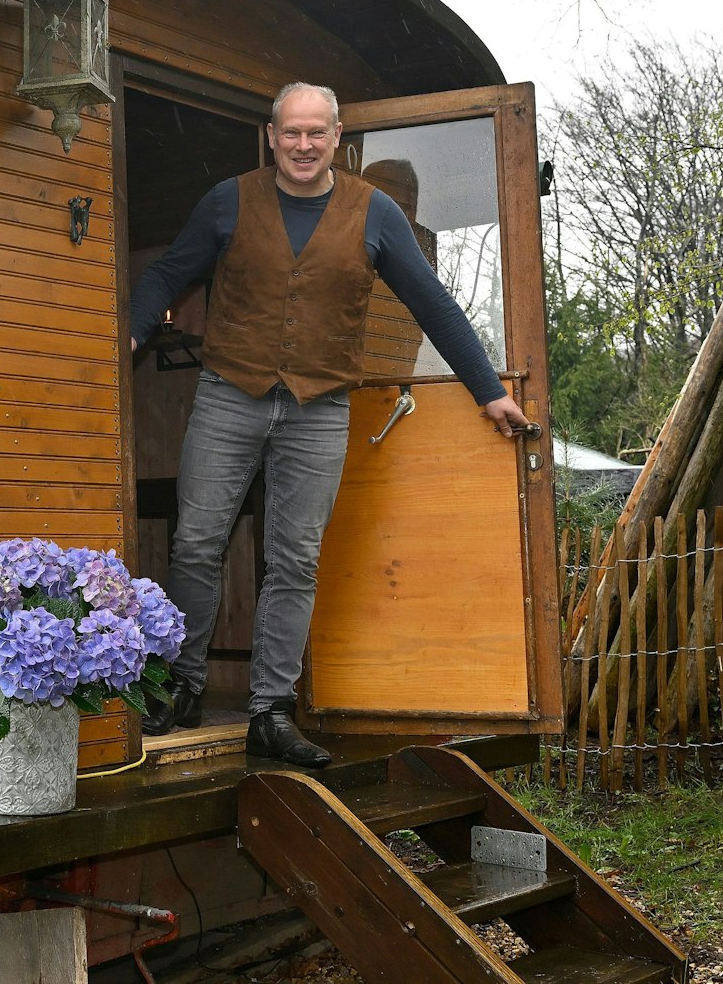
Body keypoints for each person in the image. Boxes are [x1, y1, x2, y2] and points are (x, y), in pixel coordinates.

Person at [128, 82, 530, 768]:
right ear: (272, 135)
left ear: (338, 137)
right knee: (197, 542)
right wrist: (128, 335)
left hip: (320, 408)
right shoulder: (228, 200)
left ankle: (269, 712)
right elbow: (168, 273)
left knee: (295, 559)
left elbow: (430, 300)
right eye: (293, 133)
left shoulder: (374, 214)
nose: (305, 145)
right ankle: (181, 685)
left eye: (318, 133)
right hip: (230, 394)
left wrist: (488, 390)